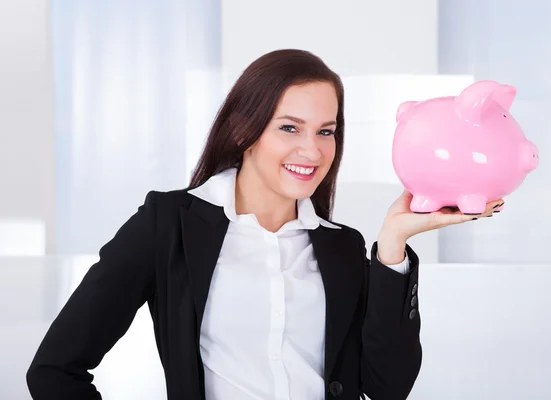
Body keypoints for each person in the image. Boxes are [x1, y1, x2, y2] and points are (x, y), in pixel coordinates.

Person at [26, 49, 503, 400]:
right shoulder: (168, 225)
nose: (312, 151)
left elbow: (387, 387)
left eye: (326, 132)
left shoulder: (341, 249)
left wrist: (392, 247)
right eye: (289, 127)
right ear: (244, 131)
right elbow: (55, 370)